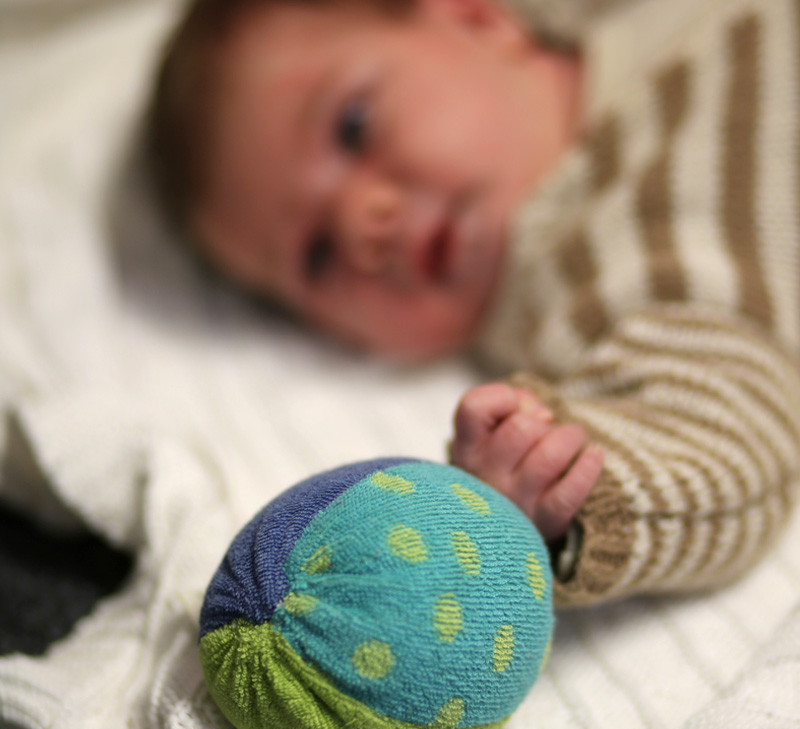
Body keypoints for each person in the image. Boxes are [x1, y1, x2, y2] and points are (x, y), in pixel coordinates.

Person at [147, 0, 800, 606]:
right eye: (317, 255)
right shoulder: (604, 276)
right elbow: (729, 432)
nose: (358, 222)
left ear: (476, 16)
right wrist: (540, 496)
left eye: (354, 126)